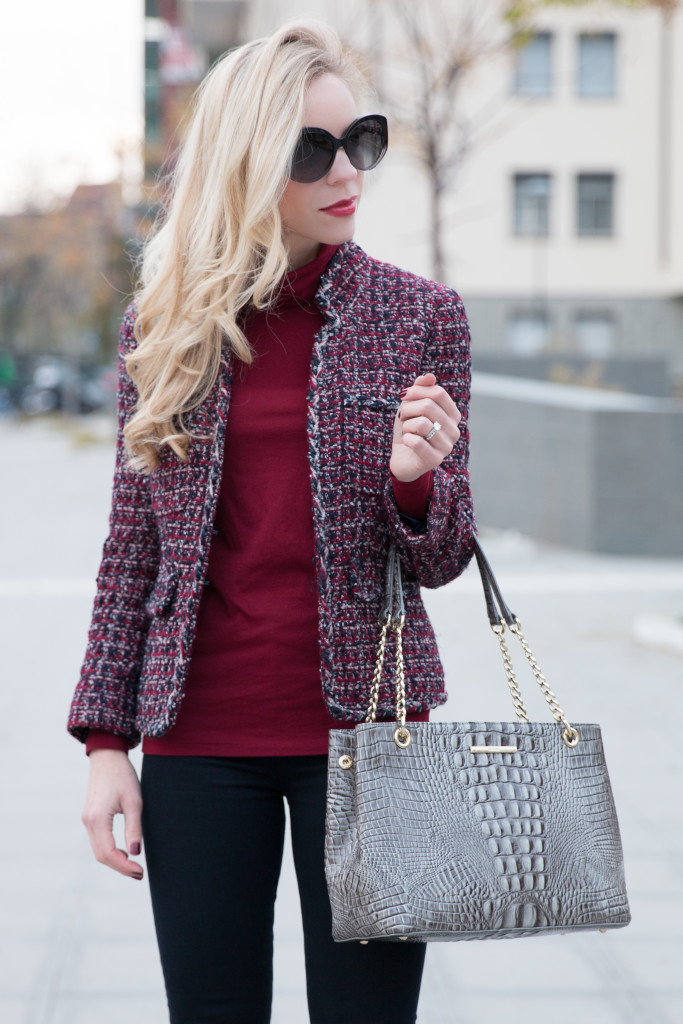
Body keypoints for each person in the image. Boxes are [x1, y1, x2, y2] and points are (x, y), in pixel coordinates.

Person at [68, 19, 475, 1024]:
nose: (346, 171)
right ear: (244, 163)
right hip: (198, 738)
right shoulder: (165, 324)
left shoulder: (420, 315)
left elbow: (444, 556)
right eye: (312, 149)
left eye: (361, 141)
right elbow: (133, 546)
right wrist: (104, 742)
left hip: (374, 734)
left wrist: (417, 481)